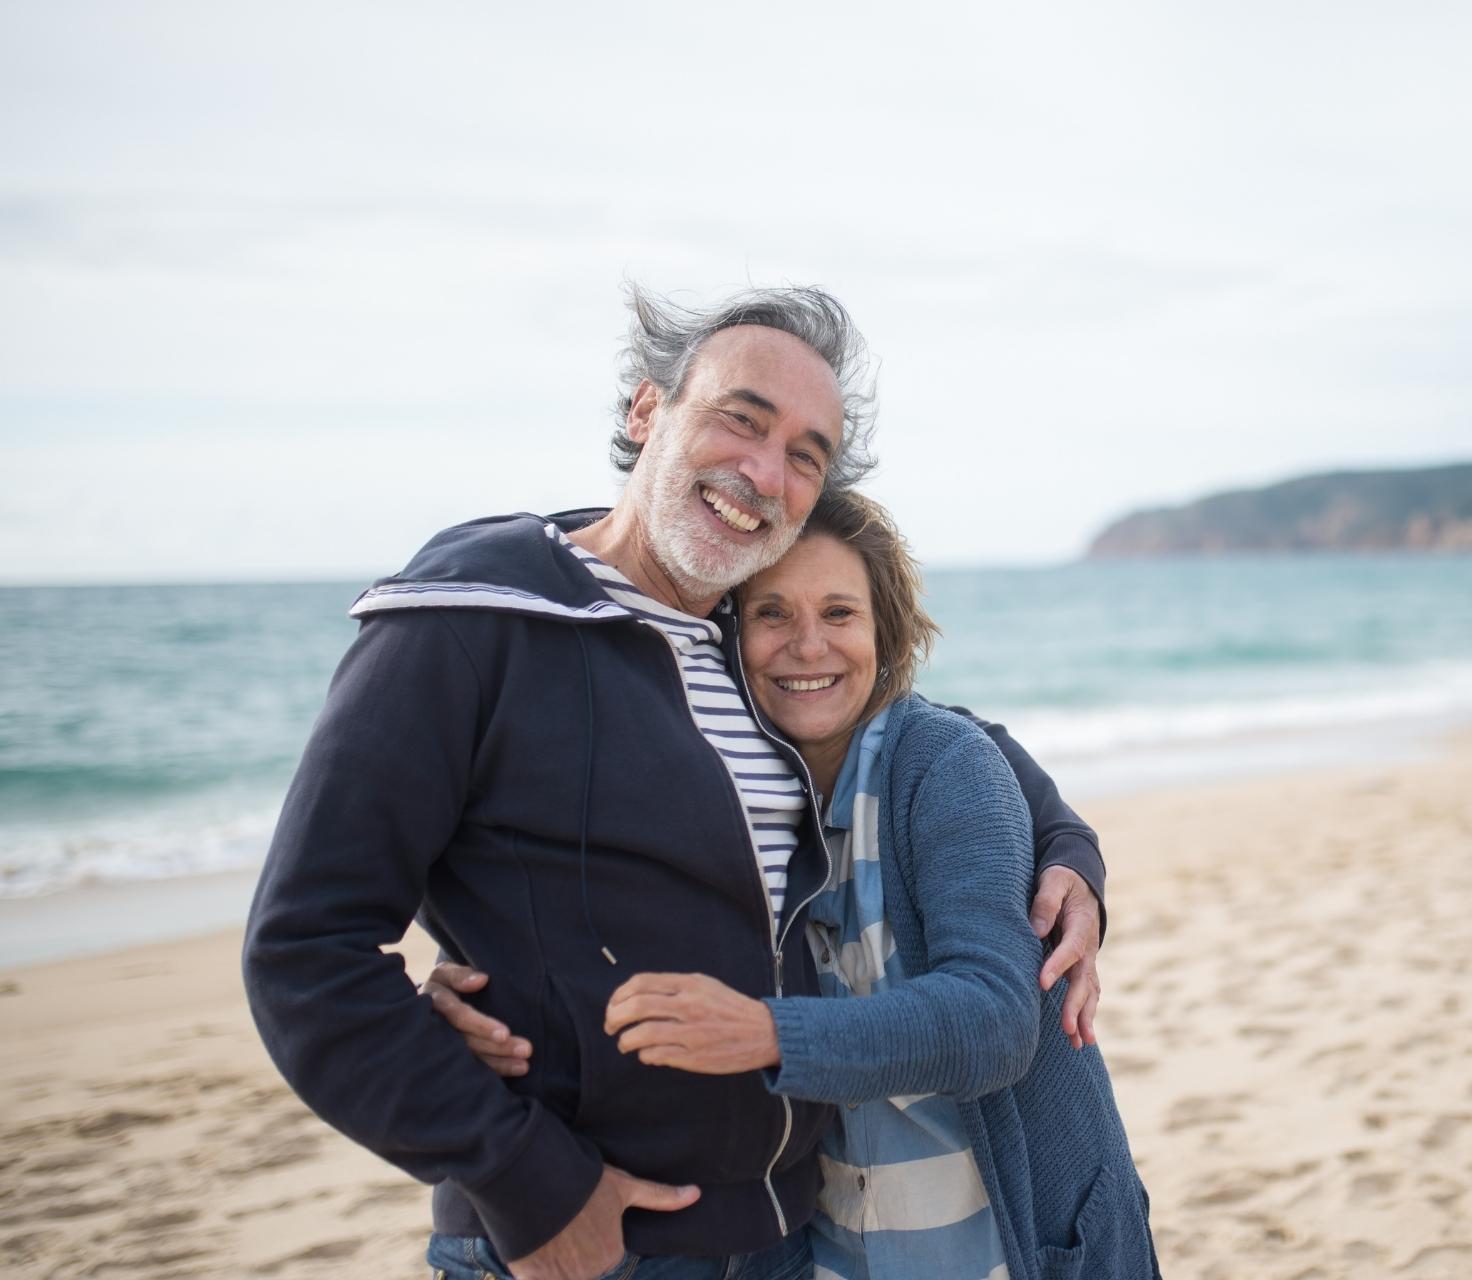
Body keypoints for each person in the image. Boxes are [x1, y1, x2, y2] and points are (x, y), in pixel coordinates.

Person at [241, 285, 1108, 1280]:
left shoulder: (744, 634)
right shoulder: (472, 620)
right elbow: (304, 952)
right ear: (647, 409)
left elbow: (934, 734)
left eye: (806, 455)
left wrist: (1068, 850)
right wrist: (526, 1182)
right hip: (593, 1239)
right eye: (742, 419)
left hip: (787, 1234)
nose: (765, 472)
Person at [445, 490, 1159, 1280]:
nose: (808, 646)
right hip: (834, 1252)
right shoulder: (725, 789)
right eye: (772, 614)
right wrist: (482, 983)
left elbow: (996, 1021)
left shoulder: (943, 766)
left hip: (1009, 1244)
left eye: (840, 613)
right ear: (726, 635)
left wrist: (769, 1034)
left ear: (885, 631)